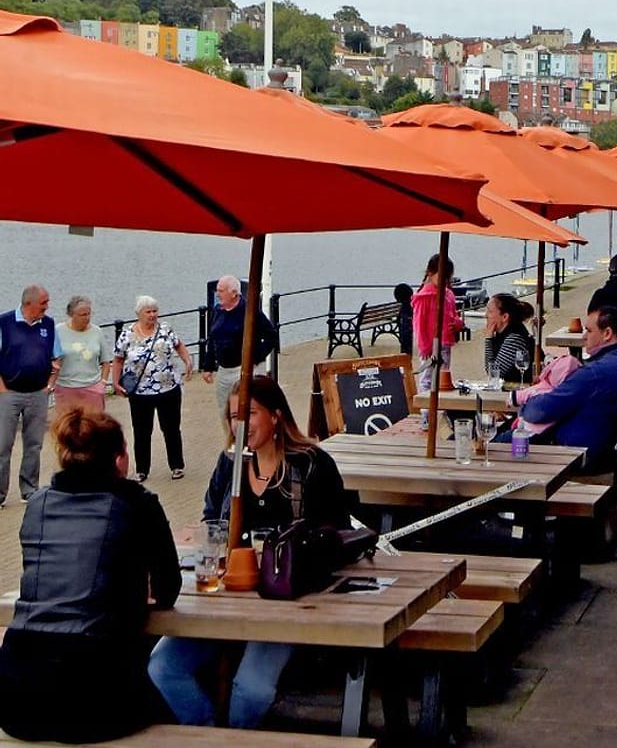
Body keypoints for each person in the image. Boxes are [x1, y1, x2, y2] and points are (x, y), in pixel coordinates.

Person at [148, 375, 354, 729]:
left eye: (250, 414)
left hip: (287, 600)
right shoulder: (230, 465)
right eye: (233, 417)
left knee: (252, 689)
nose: (239, 424)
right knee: (162, 666)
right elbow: (211, 519)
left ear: (275, 416)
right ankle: (211, 735)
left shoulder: (311, 464)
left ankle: (240, 737)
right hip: (227, 597)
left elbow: (339, 531)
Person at [0, 407, 180, 742]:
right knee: (175, 708)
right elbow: (169, 588)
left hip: (16, 690)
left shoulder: (38, 504)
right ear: (118, 459)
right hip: (92, 691)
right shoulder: (137, 503)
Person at [519, 305, 617, 474]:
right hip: (616, 455)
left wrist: (525, 403)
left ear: (607, 333)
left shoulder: (595, 373)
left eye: (589, 331)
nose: (583, 337)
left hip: (581, 458)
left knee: (503, 444)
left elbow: (540, 411)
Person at [114, 296, 192, 482]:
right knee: (142, 431)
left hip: (168, 388)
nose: (152, 315)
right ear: (139, 314)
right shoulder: (127, 334)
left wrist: (187, 361)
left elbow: (179, 345)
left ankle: (176, 466)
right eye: (148, 312)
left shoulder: (165, 329)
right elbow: (118, 358)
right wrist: (115, 383)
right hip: (140, 392)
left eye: (154, 311)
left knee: (171, 428)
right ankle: (142, 470)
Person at [0, 284, 61, 508]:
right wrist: (2, 389)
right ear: (29, 304)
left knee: (34, 444)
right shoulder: (4, 323)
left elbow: (57, 357)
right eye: (43, 302)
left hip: (38, 393)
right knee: (2, 445)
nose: (47, 306)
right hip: (9, 393)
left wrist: (49, 385)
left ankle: (29, 489)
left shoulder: (48, 324)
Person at [200, 275, 277, 423]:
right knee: (225, 411)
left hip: (244, 368)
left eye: (221, 291)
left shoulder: (249, 311)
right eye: (217, 290)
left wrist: (256, 357)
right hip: (223, 370)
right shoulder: (218, 311)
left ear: (234, 293)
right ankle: (231, 442)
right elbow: (212, 338)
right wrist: (208, 367)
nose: (217, 294)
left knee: (245, 409)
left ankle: (248, 442)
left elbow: (271, 336)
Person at [412, 255, 466, 424]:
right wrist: (425, 348)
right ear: (430, 273)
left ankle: (440, 414)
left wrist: (457, 324)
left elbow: (454, 316)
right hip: (431, 345)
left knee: (443, 379)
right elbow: (419, 325)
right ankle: (427, 416)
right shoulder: (425, 296)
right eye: (441, 277)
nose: (444, 281)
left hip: (445, 343)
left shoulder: (448, 294)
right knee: (427, 380)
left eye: (447, 278)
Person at [54, 295, 113, 415]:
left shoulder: (97, 332)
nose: (87, 318)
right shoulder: (58, 331)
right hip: (66, 389)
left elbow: (106, 362)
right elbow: (51, 359)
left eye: (88, 314)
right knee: (68, 429)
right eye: (82, 315)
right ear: (71, 315)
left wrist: (103, 383)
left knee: (94, 428)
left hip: (92, 388)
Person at [482, 293, 535, 386]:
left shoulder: (514, 338)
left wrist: (488, 339)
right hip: (512, 387)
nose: (485, 315)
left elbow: (494, 373)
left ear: (505, 317)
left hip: (521, 390)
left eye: (490, 311)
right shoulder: (505, 333)